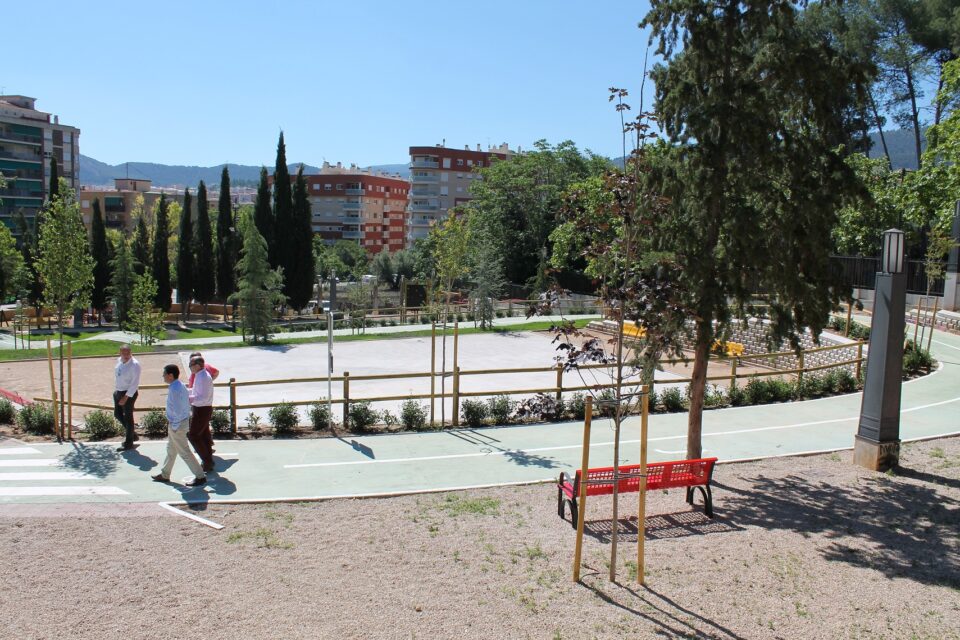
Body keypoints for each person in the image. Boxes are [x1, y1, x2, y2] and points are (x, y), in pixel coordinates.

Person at [152, 364, 206, 486]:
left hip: (177, 425)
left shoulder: (175, 389)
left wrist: (174, 425)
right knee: (171, 450)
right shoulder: (179, 385)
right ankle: (165, 474)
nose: (163, 376)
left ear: (170, 375)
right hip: (179, 423)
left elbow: (177, 409)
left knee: (184, 452)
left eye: (164, 374)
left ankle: (200, 476)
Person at [188, 356, 216, 472]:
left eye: (191, 365)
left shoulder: (203, 377)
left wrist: (189, 399)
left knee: (193, 435)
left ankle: (207, 461)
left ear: (198, 365)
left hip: (202, 409)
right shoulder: (200, 376)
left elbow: (203, 398)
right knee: (203, 435)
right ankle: (208, 461)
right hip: (201, 409)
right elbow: (196, 392)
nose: (190, 367)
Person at [113, 344, 141, 451]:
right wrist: (117, 392)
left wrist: (126, 397)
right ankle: (132, 434)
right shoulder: (119, 361)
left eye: (128, 352)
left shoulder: (135, 365)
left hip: (128, 394)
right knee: (117, 414)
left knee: (128, 418)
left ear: (131, 352)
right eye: (123, 352)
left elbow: (134, 384)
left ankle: (129, 443)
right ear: (120, 352)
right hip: (118, 391)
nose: (126, 355)